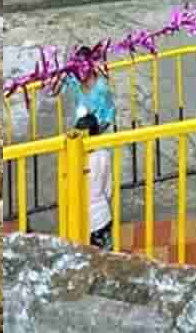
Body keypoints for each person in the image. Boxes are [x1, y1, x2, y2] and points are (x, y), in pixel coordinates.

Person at [75, 114, 113, 250]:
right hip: (102, 216)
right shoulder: (104, 156)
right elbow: (108, 189)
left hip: (77, 219)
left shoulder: (71, 159)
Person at [63, 58, 115, 134]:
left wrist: (101, 128)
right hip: (81, 126)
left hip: (99, 128)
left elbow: (111, 110)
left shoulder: (101, 87)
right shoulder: (76, 83)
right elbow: (62, 82)